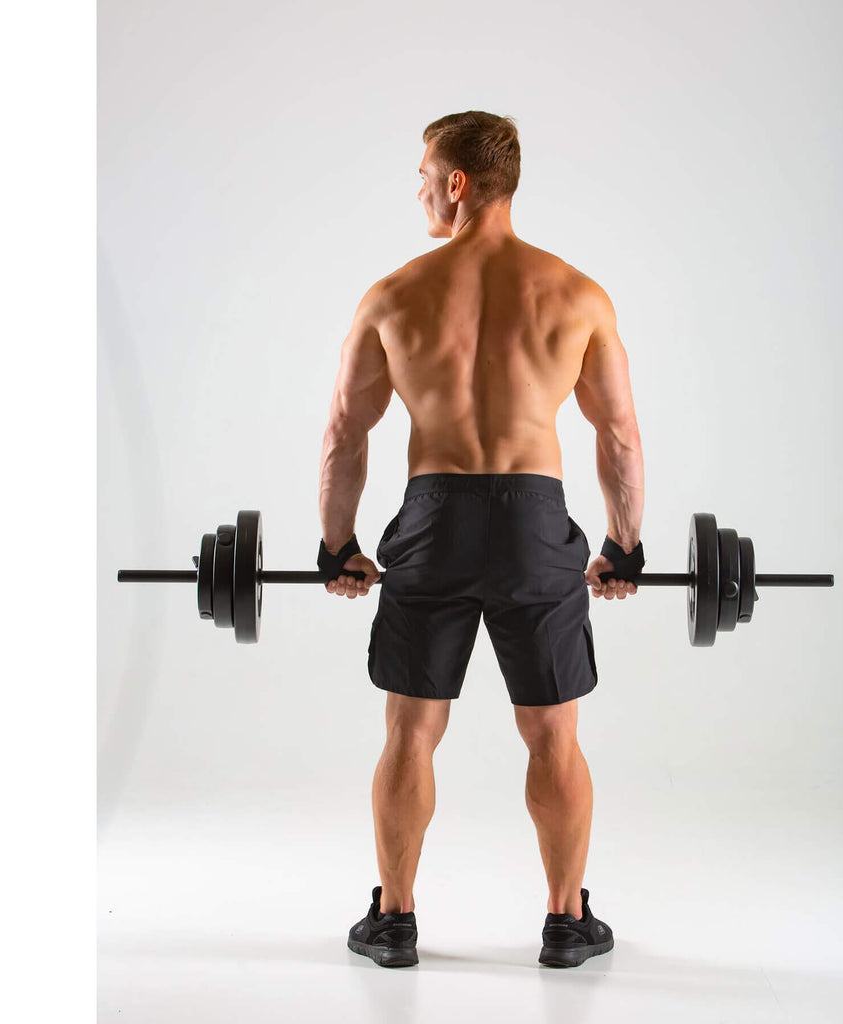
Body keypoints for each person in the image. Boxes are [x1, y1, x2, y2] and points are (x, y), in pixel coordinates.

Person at [317, 111, 644, 969]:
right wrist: (623, 546)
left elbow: (345, 432)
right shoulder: (577, 295)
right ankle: (567, 921)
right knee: (553, 735)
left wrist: (338, 546)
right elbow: (618, 438)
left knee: (411, 732)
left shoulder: (393, 295)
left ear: (458, 182)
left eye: (425, 171)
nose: (419, 186)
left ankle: (393, 919)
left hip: (434, 519)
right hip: (537, 524)